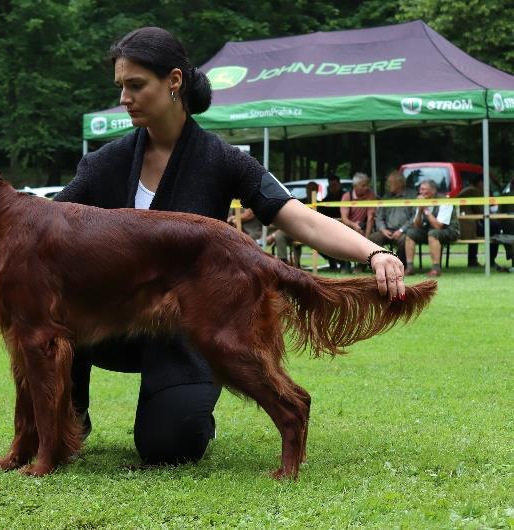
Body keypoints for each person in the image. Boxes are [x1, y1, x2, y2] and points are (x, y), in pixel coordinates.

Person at [54, 26, 403, 467]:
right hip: (111, 323)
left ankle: (194, 413)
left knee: (168, 447)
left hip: (187, 329)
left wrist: (373, 252)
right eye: (121, 86)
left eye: (136, 85)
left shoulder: (222, 159)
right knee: (50, 308)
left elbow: (295, 215)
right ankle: (70, 413)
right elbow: (44, 226)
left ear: (174, 81)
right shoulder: (105, 162)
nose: (124, 97)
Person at [403, 179, 459, 277]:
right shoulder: (422, 201)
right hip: (429, 230)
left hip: (450, 231)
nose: (421, 192)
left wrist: (425, 209)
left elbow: (439, 226)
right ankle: (410, 268)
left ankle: (436, 269)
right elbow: (417, 225)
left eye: (424, 189)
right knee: (410, 233)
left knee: (433, 233)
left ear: (433, 191)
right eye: (420, 189)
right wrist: (420, 211)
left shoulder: (444, 201)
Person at [456, 173, 503, 268]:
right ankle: (491, 261)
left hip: (466, 224)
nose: (487, 186)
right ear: (480, 182)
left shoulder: (468, 190)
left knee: (491, 226)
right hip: (467, 227)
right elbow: (481, 211)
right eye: (486, 183)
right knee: (495, 227)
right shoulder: (473, 192)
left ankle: (472, 260)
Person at [369, 170, 416, 262]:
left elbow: (414, 217)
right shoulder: (386, 197)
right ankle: (370, 265)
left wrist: (401, 230)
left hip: (404, 231)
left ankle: (397, 264)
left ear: (400, 183)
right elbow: (379, 217)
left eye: (390, 182)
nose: (387, 185)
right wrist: (383, 229)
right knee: (372, 238)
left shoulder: (412, 196)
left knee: (405, 240)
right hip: (387, 230)